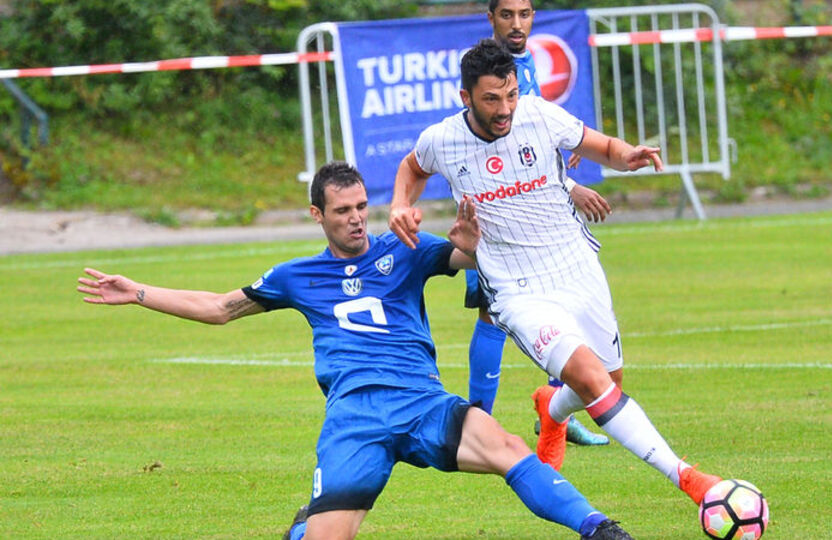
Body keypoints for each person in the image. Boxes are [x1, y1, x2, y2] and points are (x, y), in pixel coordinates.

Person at [76, 161, 634, 540]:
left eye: (361, 206)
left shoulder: (406, 250)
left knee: (508, 445)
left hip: (422, 402)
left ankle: (601, 529)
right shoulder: (296, 276)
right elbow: (220, 307)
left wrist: (470, 240)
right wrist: (139, 293)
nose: (355, 218)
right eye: (342, 211)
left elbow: (468, 261)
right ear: (318, 215)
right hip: (355, 419)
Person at [389, 40, 724, 506]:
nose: (505, 108)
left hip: (576, 267)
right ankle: (690, 480)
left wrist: (625, 154)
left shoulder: (540, 115)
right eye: (491, 99)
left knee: (610, 384)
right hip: (516, 289)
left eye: (510, 95)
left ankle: (553, 407)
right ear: (465, 97)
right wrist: (400, 204)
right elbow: (412, 166)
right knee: (590, 379)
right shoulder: (442, 139)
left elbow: (597, 144)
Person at [469, 0, 610, 447]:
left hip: (540, 216)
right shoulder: (483, 71)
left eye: (525, 14)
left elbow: (532, 142)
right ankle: (478, 421)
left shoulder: (526, 65)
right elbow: (496, 152)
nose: (516, 23)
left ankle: (555, 417)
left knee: (560, 311)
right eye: (506, 14)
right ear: (489, 16)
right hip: (498, 212)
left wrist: (561, 169)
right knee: (490, 313)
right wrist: (570, 188)